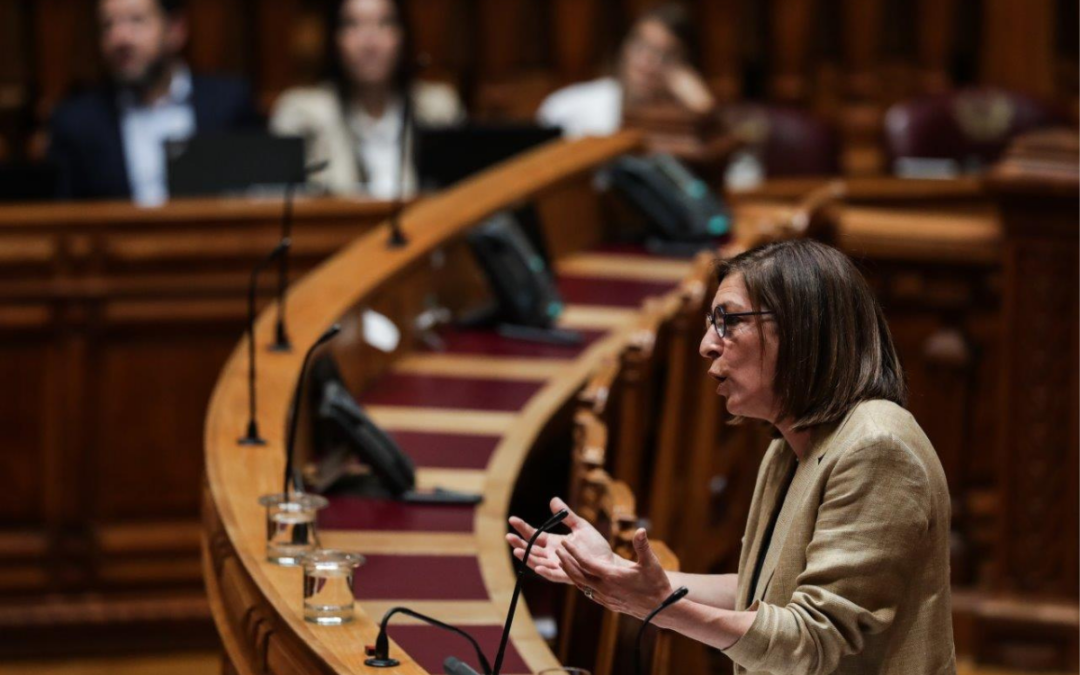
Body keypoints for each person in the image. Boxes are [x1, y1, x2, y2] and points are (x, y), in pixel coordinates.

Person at [507, 239, 956, 674]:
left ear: (801, 328)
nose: (707, 344)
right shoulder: (788, 446)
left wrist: (660, 608)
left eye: (728, 321)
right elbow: (761, 592)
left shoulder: (877, 448)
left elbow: (813, 641)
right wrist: (614, 573)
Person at [48, 0, 260, 204]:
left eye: (136, 20)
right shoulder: (77, 123)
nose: (119, 38)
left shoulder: (228, 104)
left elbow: (258, 196)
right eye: (107, 25)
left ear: (176, 30)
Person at [269, 0, 464, 198]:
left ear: (403, 34)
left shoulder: (437, 109)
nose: (370, 43)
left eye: (384, 23)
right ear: (334, 37)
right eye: (353, 24)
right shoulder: (303, 114)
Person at [536, 3, 715, 138]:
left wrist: (702, 106)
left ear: (684, 68)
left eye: (664, 55)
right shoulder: (569, 106)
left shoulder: (684, 116)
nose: (646, 63)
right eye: (640, 46)